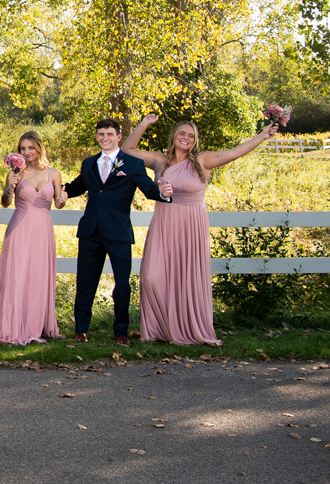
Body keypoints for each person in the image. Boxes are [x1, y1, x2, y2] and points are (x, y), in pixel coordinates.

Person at [122, 114, 276, 345]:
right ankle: (159, 329)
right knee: (152, 276)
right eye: (182, 133)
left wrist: (262, 136)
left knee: (187, 279)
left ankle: (186, 328)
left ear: (195, 141)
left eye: (191, 136)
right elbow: (127, 150)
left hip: (191, 225)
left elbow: (235, 152)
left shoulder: (202, 160)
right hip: (164, 223)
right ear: (174, 136)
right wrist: (144, 124)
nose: (186, 138)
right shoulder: (160, 161)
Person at [62, 118, 173, 344]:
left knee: (122, 284)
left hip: (118, 231)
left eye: (109, 134)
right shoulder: (89, 163)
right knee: (85, 282)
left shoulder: (131, 164)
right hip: (90, 231)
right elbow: (78, 186)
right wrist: (58, 189)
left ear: (119, 137)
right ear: (97, 136)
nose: (105, 138)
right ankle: (81, 329)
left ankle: (121, 331)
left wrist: (162, 193)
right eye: (101, 134)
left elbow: (148, 188)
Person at [0, 130, 65, 345]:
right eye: (23, 149)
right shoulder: (15, 173)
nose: (27, 152)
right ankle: (13, 326)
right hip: (20, 229)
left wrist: (62, 199)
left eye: (31, 148)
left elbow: (58, 204)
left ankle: (35, 326)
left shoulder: (54, 173)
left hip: (43, 230)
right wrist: (10, 188)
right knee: (17, 276)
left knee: (38, 276)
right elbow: (5, 202)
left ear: (39, 148)